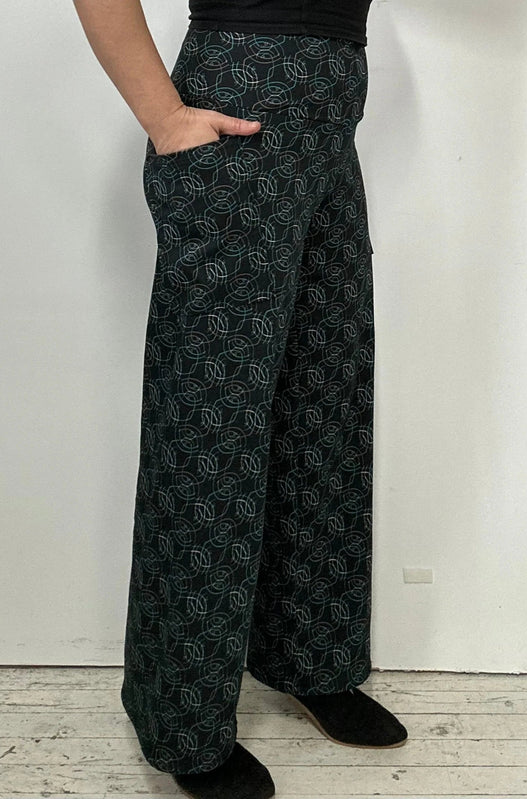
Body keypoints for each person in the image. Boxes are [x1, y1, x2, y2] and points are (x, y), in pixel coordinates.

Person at [72, 1, 408, 797]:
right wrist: (164, 117)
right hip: (241, 109)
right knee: (210, 430)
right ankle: (183, 721)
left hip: (327, 121)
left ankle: (310, 658)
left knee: (322, 404)